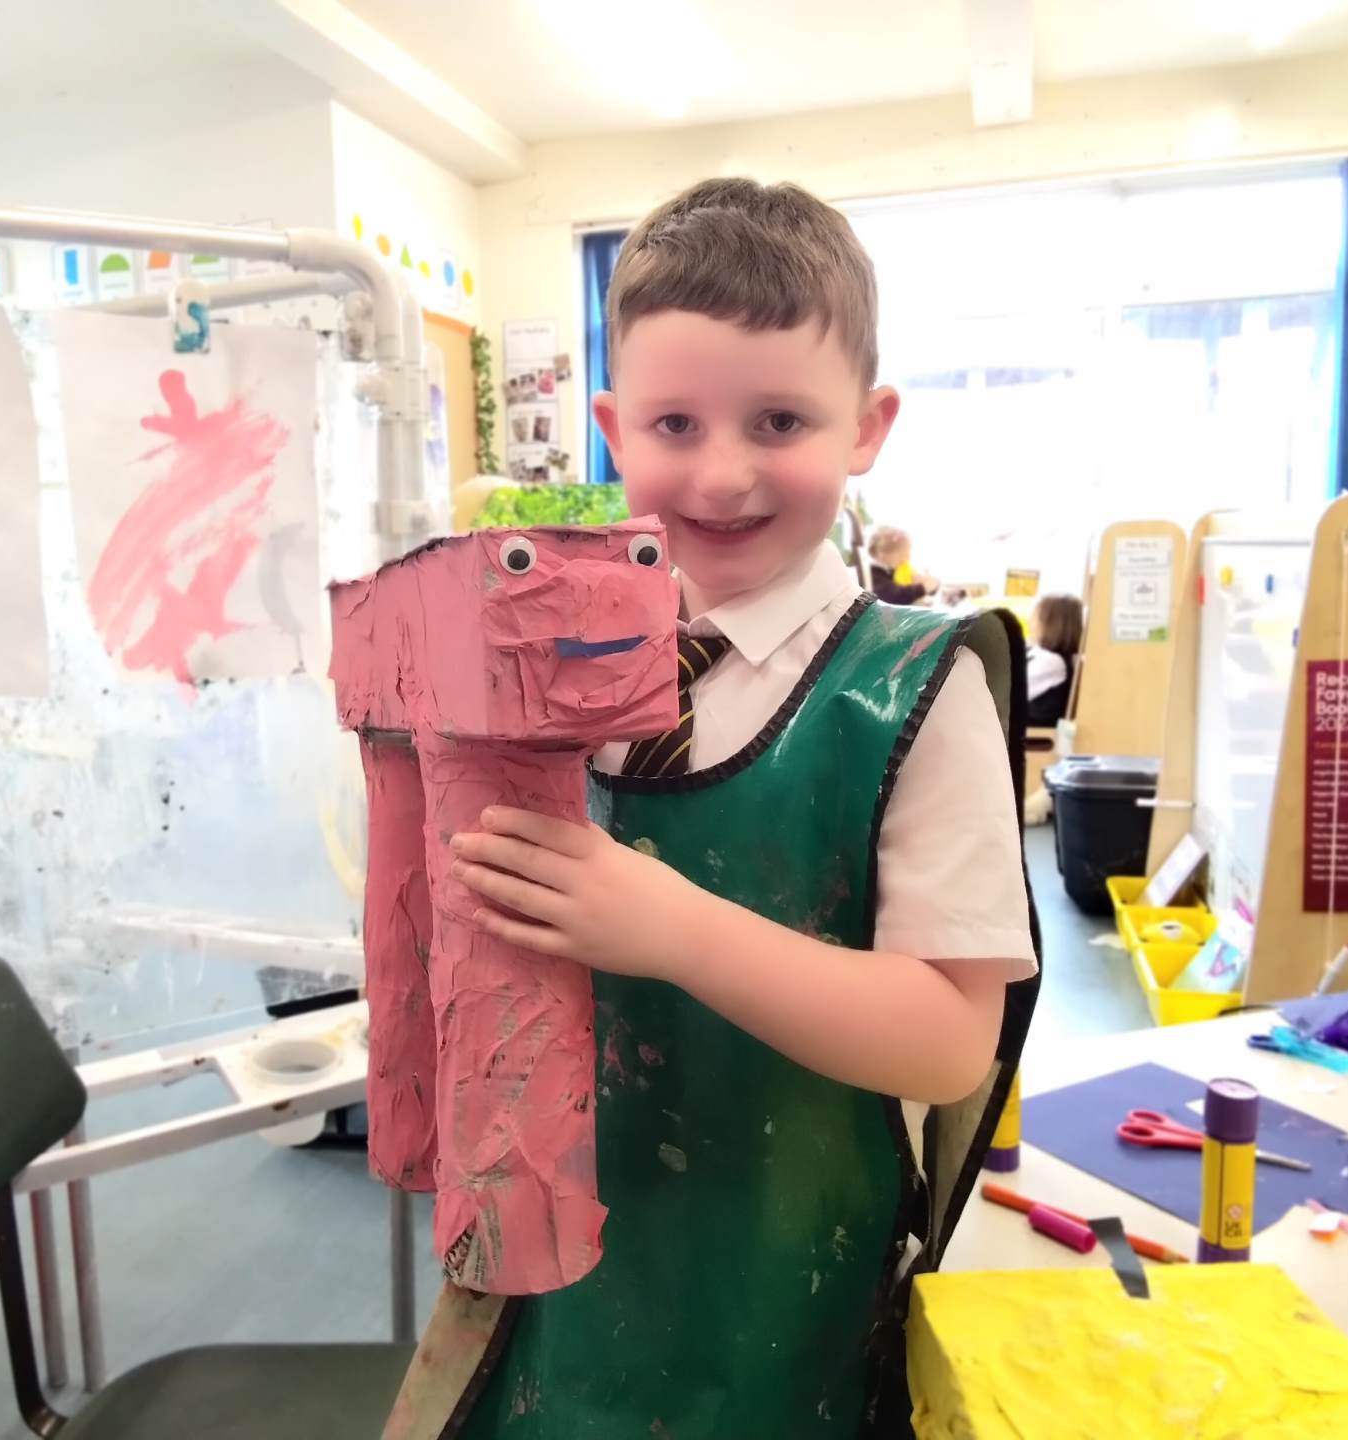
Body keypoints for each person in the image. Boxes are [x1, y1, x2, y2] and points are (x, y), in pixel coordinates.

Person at [441, 177, 1038, 1435]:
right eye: (675, 423)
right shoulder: (549, 658)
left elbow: (948, 1041)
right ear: (614, 428)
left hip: (778, 1300)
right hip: (554, 1284)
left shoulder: (918, 694)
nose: (721, 476)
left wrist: (671, 928)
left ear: (867, 426)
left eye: (779, 421)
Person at [1026, 593, 1083, 728]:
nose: (1030, 623)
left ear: (1050, 624)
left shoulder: (1052, 662)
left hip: (1031, 734)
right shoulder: (1049, 657)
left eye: (1036, 618)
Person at [867, 524, 938, 604]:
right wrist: (922, 588)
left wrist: (920, 582)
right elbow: (892, 596)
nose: (906, 559)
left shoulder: (890, 571)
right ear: (883, 553)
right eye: (903, 554)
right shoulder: (871, 574)